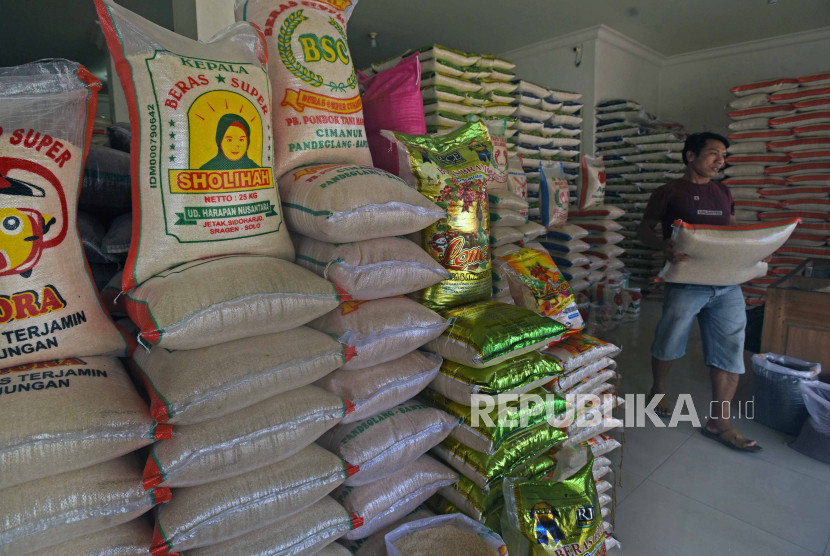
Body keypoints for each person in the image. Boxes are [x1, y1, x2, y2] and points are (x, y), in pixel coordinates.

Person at [637, 131, 761, 452]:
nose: (720, 160)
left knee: (731, 350)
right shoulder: (668, 193)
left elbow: (732, 232)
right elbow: (644, 229)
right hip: (686, 281)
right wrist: (663, 246)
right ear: (690, 156)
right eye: (713, 154)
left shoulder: (723, 192)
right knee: (670, 338)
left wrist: (754, 251)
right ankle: (659, 388)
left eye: (723, 156)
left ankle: (719, 423)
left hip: (726, 283)